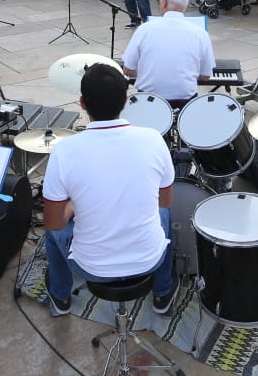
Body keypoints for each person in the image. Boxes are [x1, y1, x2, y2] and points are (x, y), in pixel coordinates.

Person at [43, 62, 177, 317]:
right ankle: (162, 293)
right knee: (166, 215)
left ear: (82, 103)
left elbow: (53, 222)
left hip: (90, 268)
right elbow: (165, 201)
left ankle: (61, 299)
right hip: (149, 259)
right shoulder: (153, 139)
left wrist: (72, 207)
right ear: (125, 100)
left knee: (52, 233)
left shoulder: (65, 150)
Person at [122, 0, 216, 108]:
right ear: (185, 6)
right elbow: (205, 76)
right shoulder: (201, 34)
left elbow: (128, 69)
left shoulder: (144, 29)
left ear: (164, 2)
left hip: (148, 103)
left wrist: (150, 72)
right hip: (184, 104)